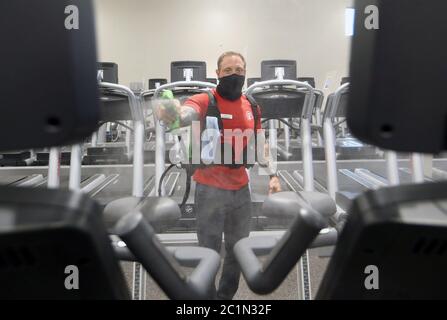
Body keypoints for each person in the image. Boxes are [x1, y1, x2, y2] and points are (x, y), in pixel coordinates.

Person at [157, 51, 281, 300]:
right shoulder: (205, 100)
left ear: (245, 73)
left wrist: (273, 175)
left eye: (239, 70)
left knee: (238, 251)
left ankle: (225, 298)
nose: (234, 75)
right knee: (209, 251)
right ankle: (208, 299)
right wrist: (172, 113)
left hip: (241, 191)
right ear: (217, 74)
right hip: (209, 189)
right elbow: (186, 114)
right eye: (228, 71)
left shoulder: (252, 105)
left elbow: (260, 143)